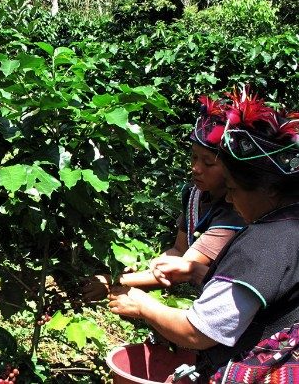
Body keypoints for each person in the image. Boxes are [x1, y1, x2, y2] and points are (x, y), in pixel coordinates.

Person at [109, 87, 299, 382]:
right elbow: (270, 288)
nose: (231, 200)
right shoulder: (291, 224)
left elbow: (198, 332)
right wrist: (195, 271)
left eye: (234, 190)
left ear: (271, 189)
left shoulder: (263, 242)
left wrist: (142, 305)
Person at [82, 96, 244, 300]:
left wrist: (112, 282)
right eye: (194, 157)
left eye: (208, 163)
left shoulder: (234, 213)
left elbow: (183, 269)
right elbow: (179, 250)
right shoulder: (195, 194)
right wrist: (144, 267)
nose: (196, 168)